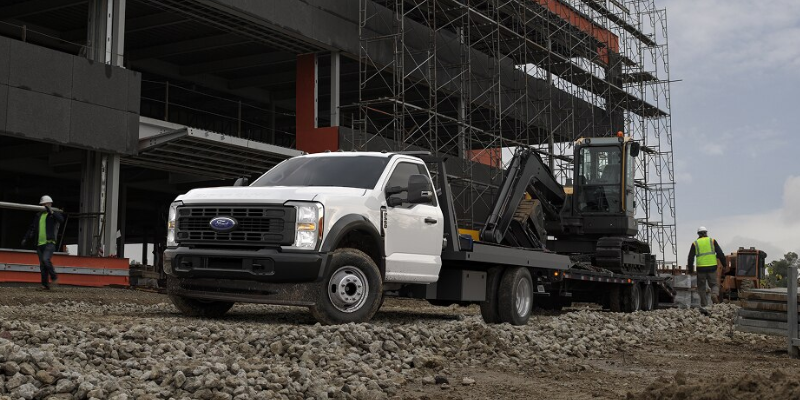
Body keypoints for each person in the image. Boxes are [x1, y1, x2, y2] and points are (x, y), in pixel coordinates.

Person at [21, 195, 65, 290]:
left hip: (50, 243)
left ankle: (54, 277)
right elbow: (32, 228)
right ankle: (45, 285)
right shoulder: (38, 216)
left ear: (49, 204)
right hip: (39, 244)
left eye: (45, 204)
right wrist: (26, 238)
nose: (43, 206)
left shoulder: (52, 215)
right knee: (42, 265)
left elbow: (61, 220)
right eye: (42, 204)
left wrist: (52, 211)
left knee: (46, 260)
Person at [687, 226, 727, 308]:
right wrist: (724, 264)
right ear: (706, 233)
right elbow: (720, 253)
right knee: (714, 285)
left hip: (701, 268)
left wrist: (690, 269)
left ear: (698, 234)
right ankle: (714, 294)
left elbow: (690, 257)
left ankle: (704, 305)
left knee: (701, 287)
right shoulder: (712, 241)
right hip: (712, 267)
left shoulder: (695, 243)